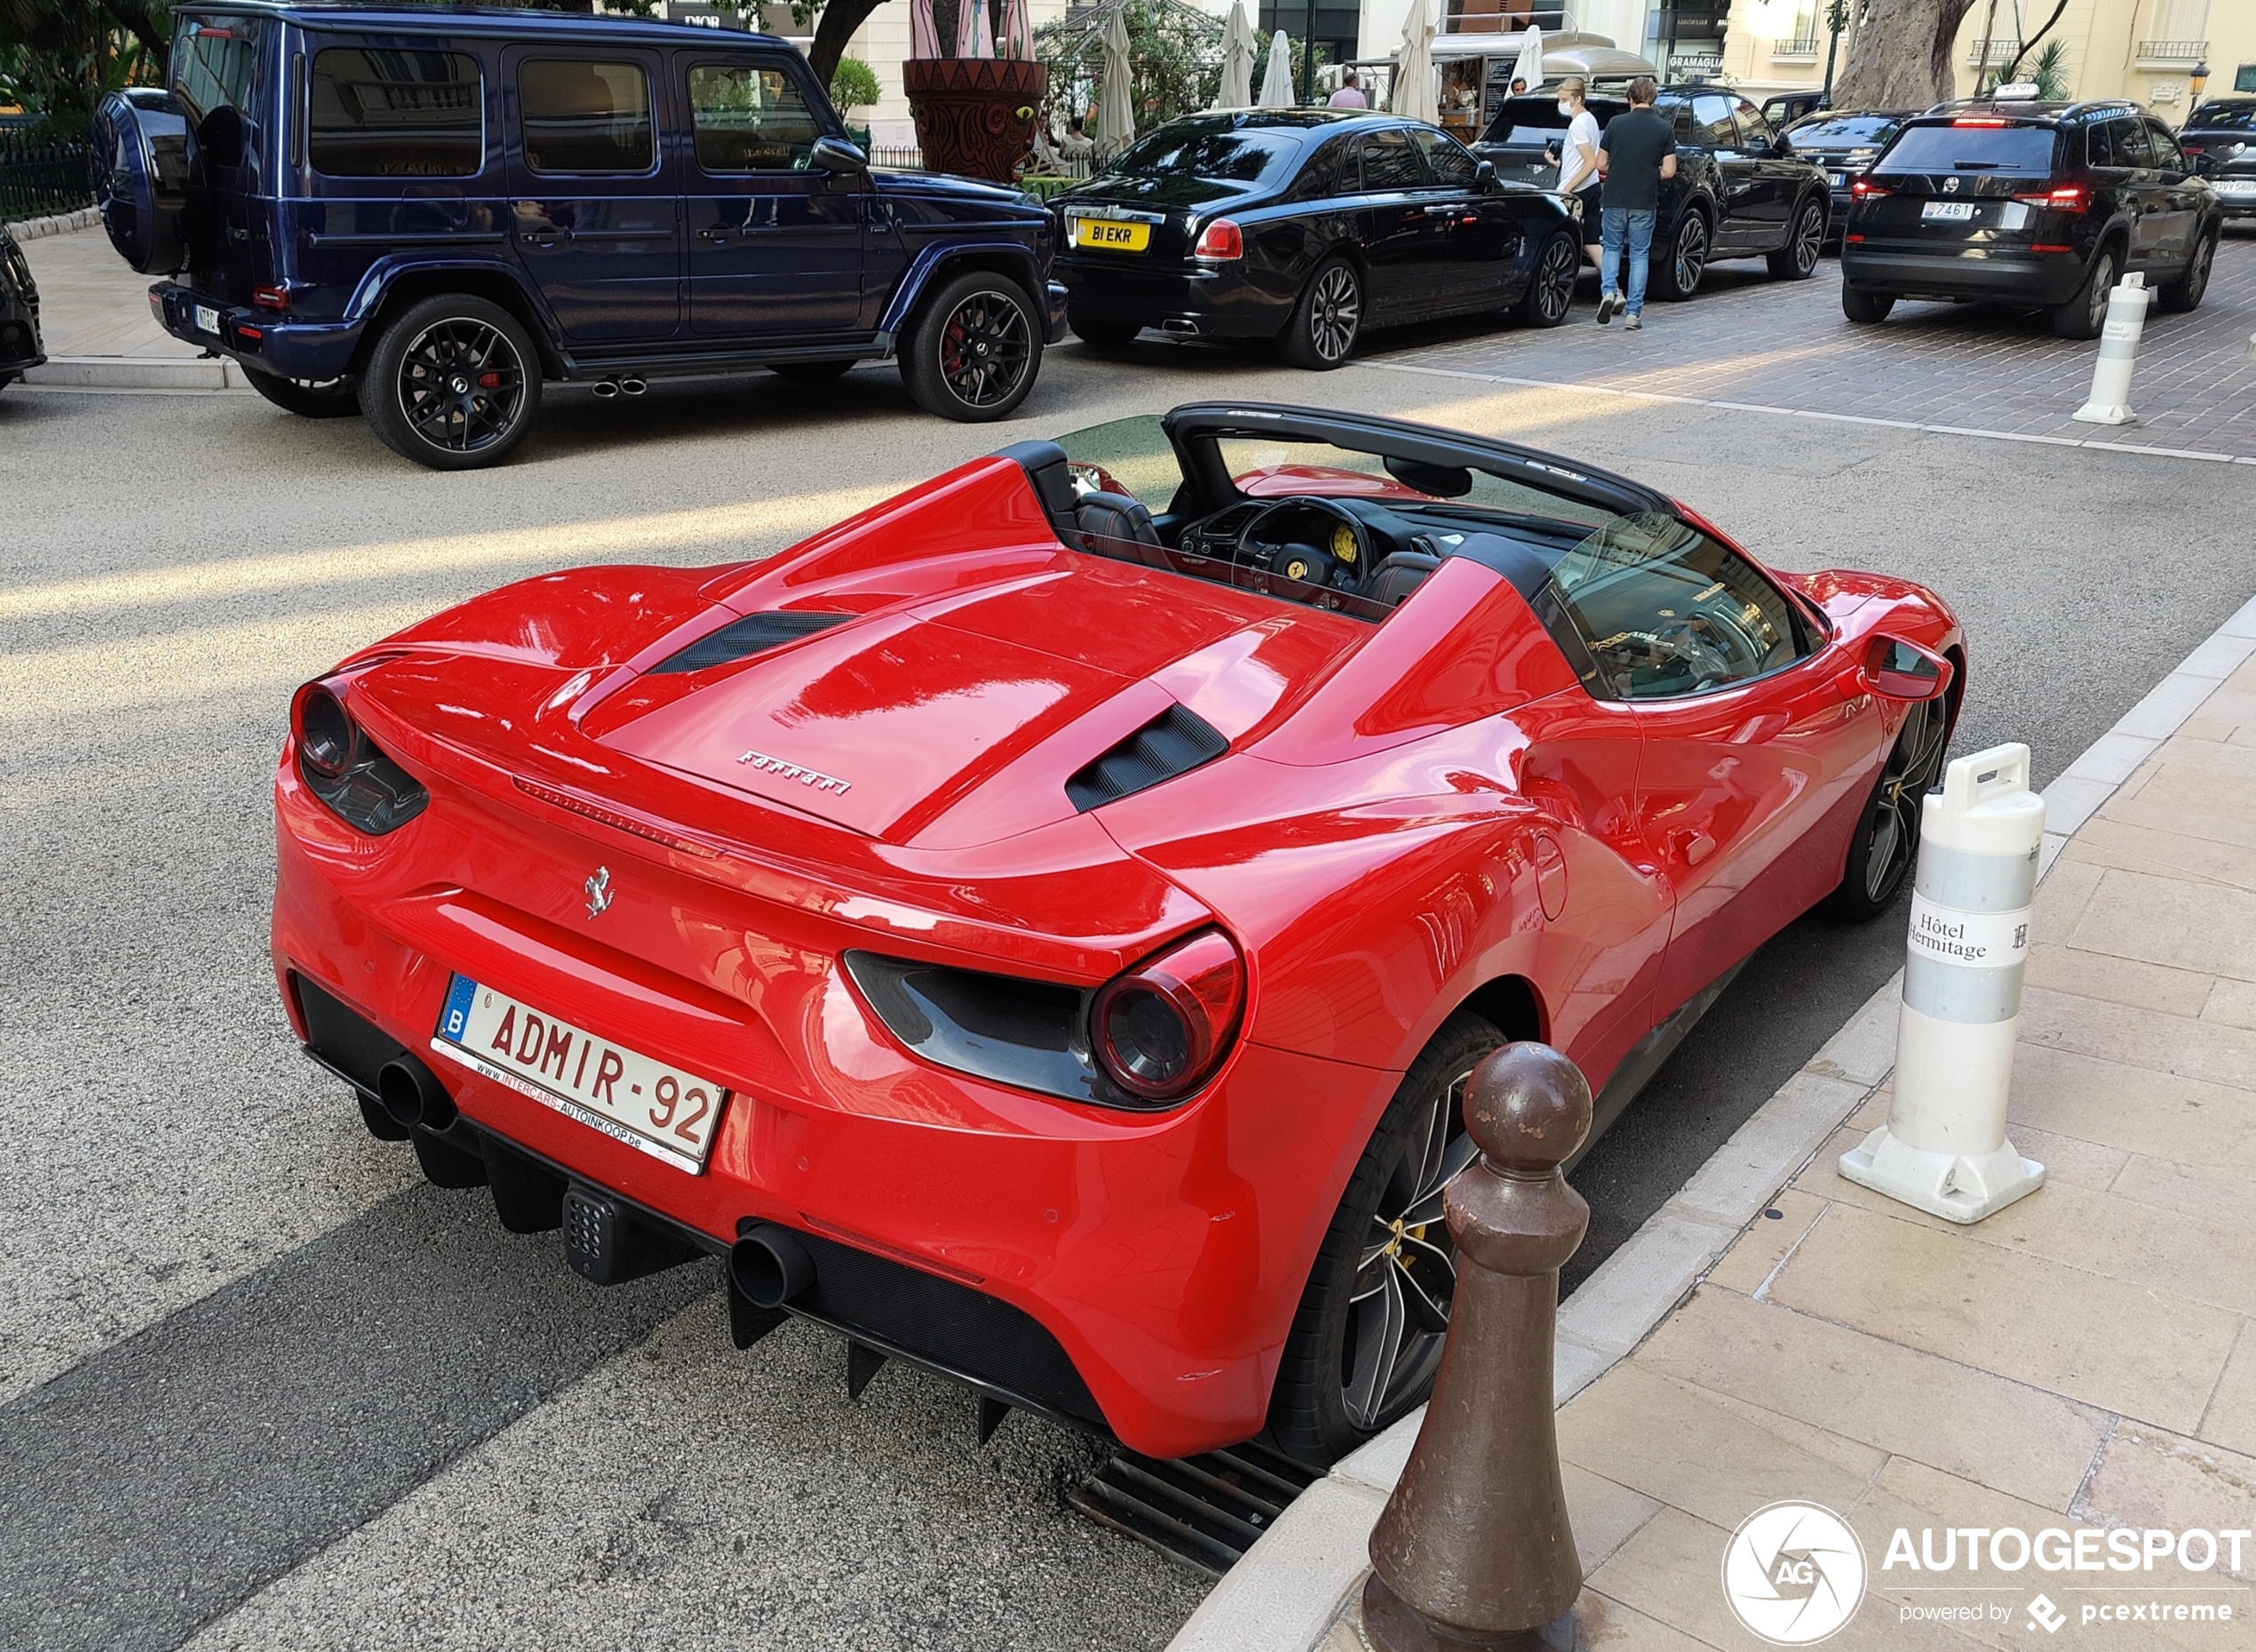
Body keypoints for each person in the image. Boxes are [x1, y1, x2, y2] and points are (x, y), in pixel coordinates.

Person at [1593, 75, 1677, 330]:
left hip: (1615, 197)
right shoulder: (1664, 128)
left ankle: (1609, 291)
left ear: (1630, 98)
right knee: (1640, 254)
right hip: (1644, 199)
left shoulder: (1615, 124)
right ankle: (1634, 314)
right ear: (1653, 98)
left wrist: (1617, 168)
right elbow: (1670, 171)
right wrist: (1652, 172)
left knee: (1611, 248)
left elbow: (1599, 163)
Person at [1544, 76, 1602, 274]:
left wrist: (1567, 188)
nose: (1561, 104)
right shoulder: (1590, 120)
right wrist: (1559, 164)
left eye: (1564, 99)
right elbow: (1584, 161)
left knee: (1561, 238)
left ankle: (1559, 279)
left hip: (1577, 191)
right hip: (1592, 186)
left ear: (1577, 98)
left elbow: (1590, 161)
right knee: (1591, 241)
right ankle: (1613, 286)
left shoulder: (1577, 125)